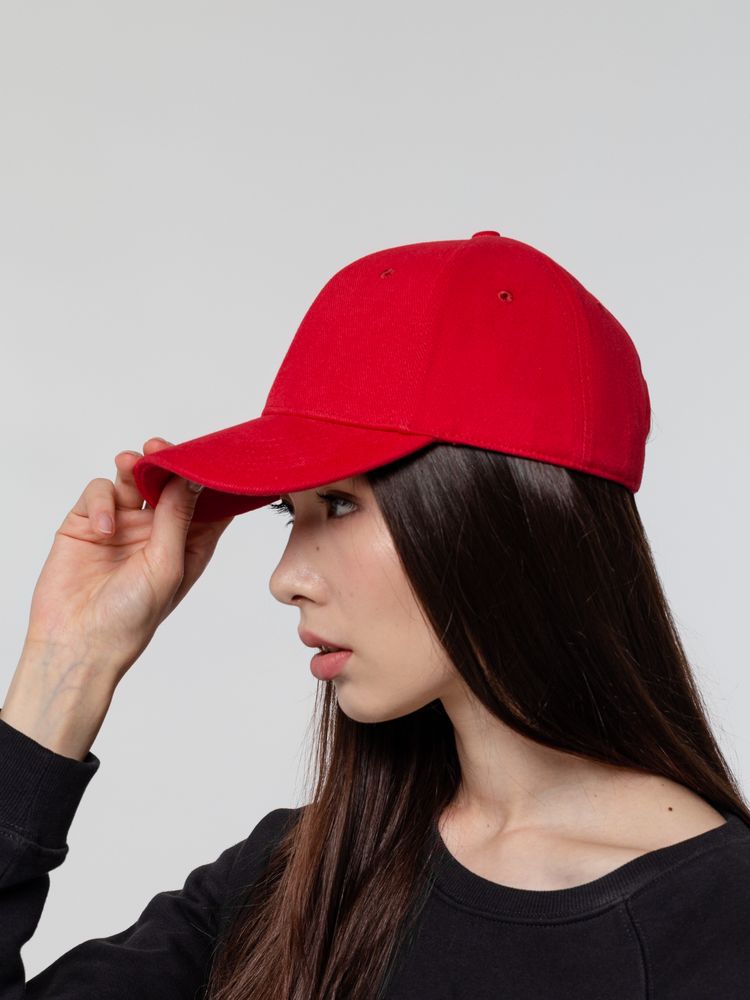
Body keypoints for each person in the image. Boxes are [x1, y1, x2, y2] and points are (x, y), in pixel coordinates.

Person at [2, 230, 749, 1000]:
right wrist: (67, 660)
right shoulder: (294, 880)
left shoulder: (721, 929)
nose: (285, 579)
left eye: (338, 503)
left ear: (501, 518)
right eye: (289, 513)